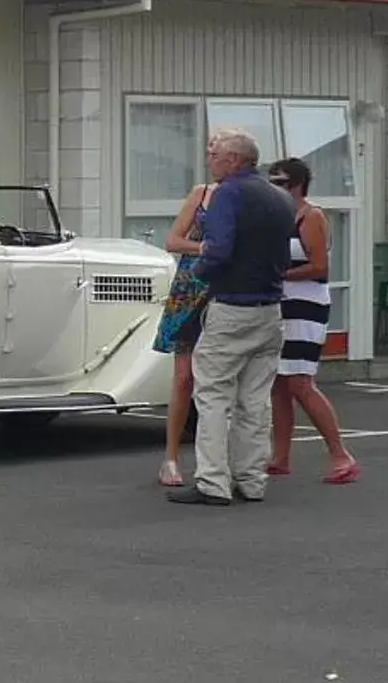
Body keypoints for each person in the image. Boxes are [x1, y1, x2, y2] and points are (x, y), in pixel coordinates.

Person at [167, 126, 296, 508]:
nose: (210, 159)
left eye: (215, 154)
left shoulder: (228, 194)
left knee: (213, 395)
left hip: (231, 305)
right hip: (270, 309)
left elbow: (218, 251)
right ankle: (251, 479)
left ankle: (212, 481)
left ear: (235, 159)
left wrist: (202, 273)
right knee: (255, 399)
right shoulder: (280, 198)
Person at [267, 156, 360, 484]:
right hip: (281, 303)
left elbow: (320, 266)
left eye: (280, 182)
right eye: (271, 181)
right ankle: (280, 456)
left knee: (300, 382)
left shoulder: (311, 216)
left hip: (306, 305)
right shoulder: (277, 216)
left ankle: (340, 454)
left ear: (297, 185)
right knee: (279, 383)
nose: (274, 188)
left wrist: (279, 274)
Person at [151, 179, 214, 487]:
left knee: (216, 378)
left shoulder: (243, 197)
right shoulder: (201, 193)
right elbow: (173, 240)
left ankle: (214, 458)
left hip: (223, 286)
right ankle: (171, 458)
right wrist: (202, 246)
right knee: (183, 377)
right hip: (191, 286)